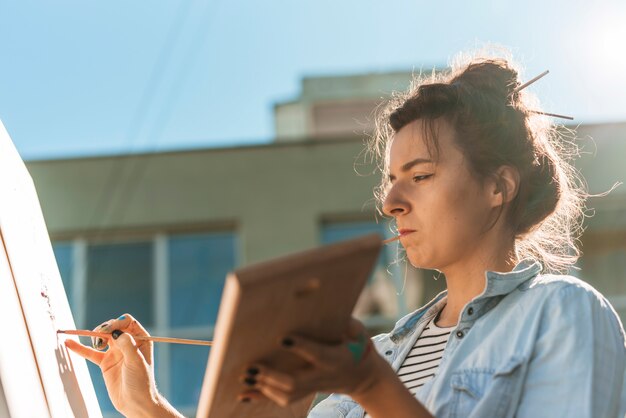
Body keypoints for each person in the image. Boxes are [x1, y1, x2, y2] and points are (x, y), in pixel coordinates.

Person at [66, 52, 626, 418]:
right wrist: (147, 404)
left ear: (498, 187)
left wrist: (371, 387)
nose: (390, 202)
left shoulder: (560, 312)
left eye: (421, 177)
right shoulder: (379, 354)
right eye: (390, 181)